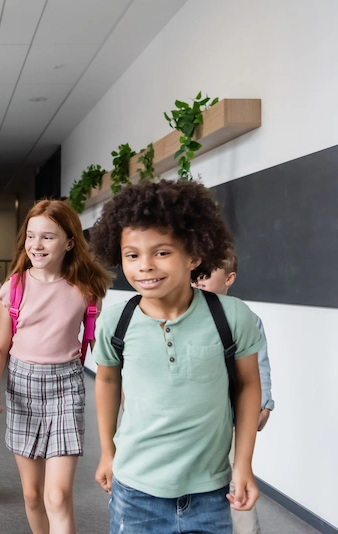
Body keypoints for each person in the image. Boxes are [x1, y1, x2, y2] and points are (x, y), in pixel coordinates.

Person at [89, 179, 264, 534]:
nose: (145, 266)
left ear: (195, 255)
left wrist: (243, 465)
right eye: (132, 255)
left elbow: (247, 386)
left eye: (162, 252)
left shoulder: (231, 317)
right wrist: (107, 450)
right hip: (135, 492)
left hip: (210, 493)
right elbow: (107, 380)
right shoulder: (115, 321)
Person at [0, 200, 111, 534]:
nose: (36, 245)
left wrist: (124, 389)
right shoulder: (14, 287)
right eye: (31, 236)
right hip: (22, 387)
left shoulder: (86, 290)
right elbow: (0, 347)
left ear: (69, 242)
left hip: (67, 386)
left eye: (48, 237)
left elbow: (101, 350)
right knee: (33, 495)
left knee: (57, 496)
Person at [195, 247, 274, 534]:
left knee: (234, 485)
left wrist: (264, 404)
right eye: (196, 270)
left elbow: (259, 366)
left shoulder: (245, 319)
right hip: (191, 420)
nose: (199, 277)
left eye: (208, 271)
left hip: (230, 422)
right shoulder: (181, 315)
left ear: (229, 278)